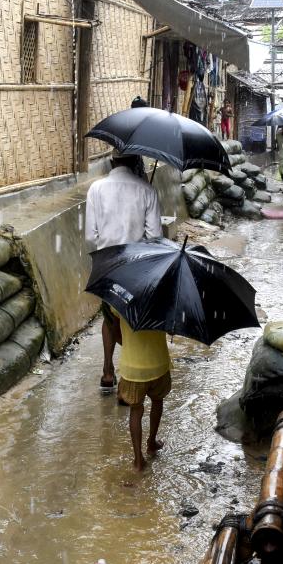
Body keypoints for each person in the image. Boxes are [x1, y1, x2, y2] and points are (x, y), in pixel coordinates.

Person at [85, 152, 162, 390]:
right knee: (132, 321)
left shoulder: (96, 189)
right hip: (136, 266)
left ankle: (108, 372)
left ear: (111, 162)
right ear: (136, 162)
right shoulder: (147, 191)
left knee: (109, 319)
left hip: (106, 265)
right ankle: (128, 381)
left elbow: (90, 236)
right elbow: (155, 236)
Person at [117, 312, 170, 472]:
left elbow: (114, 329)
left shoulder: (121, 299)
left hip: (132, 367)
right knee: (157, 401)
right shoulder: (166, 300)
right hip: (158, 363)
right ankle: (152, 443)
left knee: (136, 410)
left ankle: (138, 460)